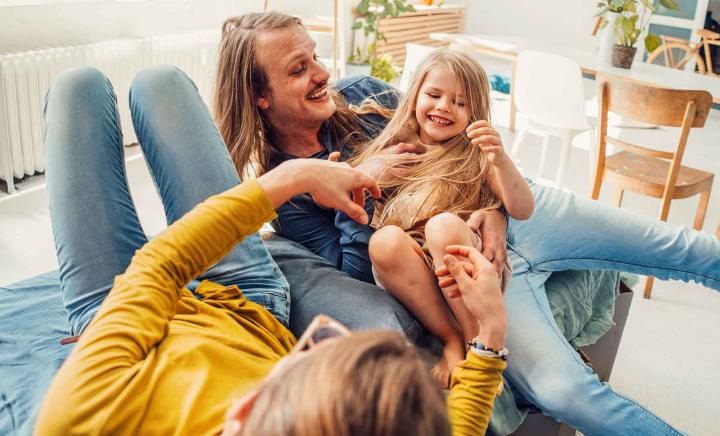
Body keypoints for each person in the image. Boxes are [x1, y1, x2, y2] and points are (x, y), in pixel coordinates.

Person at [214, 11, 720, 435]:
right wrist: (360, 179)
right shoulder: (289, 192)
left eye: (315, 54)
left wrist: (492, 208)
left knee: (685, 247)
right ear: (259, 96)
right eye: (299, 68)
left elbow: (460, 133)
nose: (322, 72)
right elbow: (359, 269)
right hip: (461, 266)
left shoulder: (363, 93)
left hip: (517, 214)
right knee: (568, 392)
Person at [35, 65, 508, 436]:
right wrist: (488, 335)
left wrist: (292, 178)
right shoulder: (375, 109)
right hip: (250, 303)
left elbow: (160, 265)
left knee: (82, 87)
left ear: (240, 413)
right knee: (151, 85)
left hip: (110, 308)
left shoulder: (83, 417)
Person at [350, 49, 533, 387]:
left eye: (460, 103)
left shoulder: (476, 155)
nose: (444, 107)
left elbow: (522, 208)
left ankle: (474, 338)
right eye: (434, 95)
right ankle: (451, 339)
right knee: (384, 240)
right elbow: (355, 194)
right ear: (415, 95)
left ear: (476, 113)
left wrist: (501, 159)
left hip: (468, 267)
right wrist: (352, 172)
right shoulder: (396, 148)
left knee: (442, 225)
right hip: (415, 272)